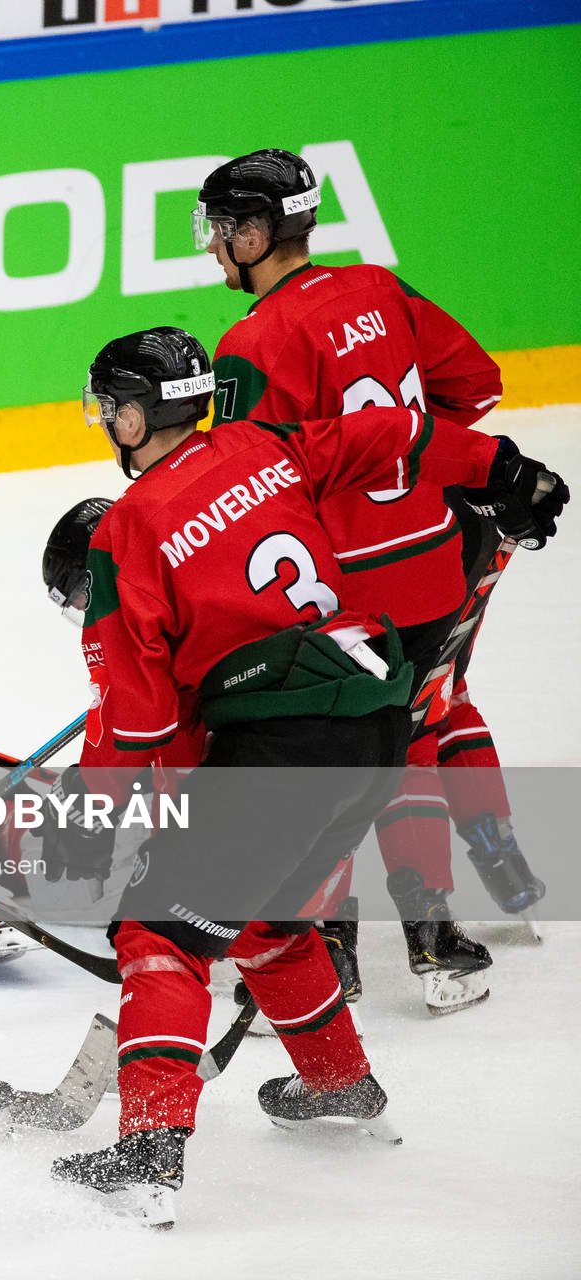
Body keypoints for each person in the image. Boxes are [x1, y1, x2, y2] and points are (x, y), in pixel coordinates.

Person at [40, 326, 562, 1226]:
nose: (106, 425)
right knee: (271, 923)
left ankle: (149, 1153)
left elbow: (144, 721)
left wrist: (95, 816)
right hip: (375, 723)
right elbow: (394, 430)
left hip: (282, 747)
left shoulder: (127, 531)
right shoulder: (264, 443)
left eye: (111, 408)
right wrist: (498, 465)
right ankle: (340, 1085)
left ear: (135, 413)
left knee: (162, 933)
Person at [197, 147, 537, 1013]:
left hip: (340, 595)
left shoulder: (253, 340)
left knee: (331, 759)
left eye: (218, 231)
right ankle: (434, 934)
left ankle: (329, 950)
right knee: (416, 734)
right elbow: (475, 385)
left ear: (252, 233)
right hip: (435, 565)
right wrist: (420, 470)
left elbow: (246, 484)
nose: (211, 249)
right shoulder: (380, 290)